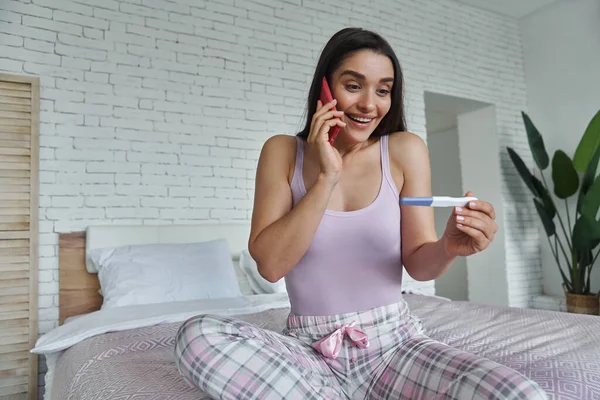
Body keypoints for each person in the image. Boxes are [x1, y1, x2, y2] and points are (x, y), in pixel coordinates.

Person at [174, 27, 548, 400]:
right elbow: (271, 266)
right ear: (324, 88)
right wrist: (327, 177)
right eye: (353, 86)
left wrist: (448, 246)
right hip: (309, 352)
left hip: (394, 346)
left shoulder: (404, 150)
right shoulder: (283, 152)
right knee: (197, 335)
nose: (370, 104)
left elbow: (419, 264)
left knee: (519, 393)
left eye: (383, 90)